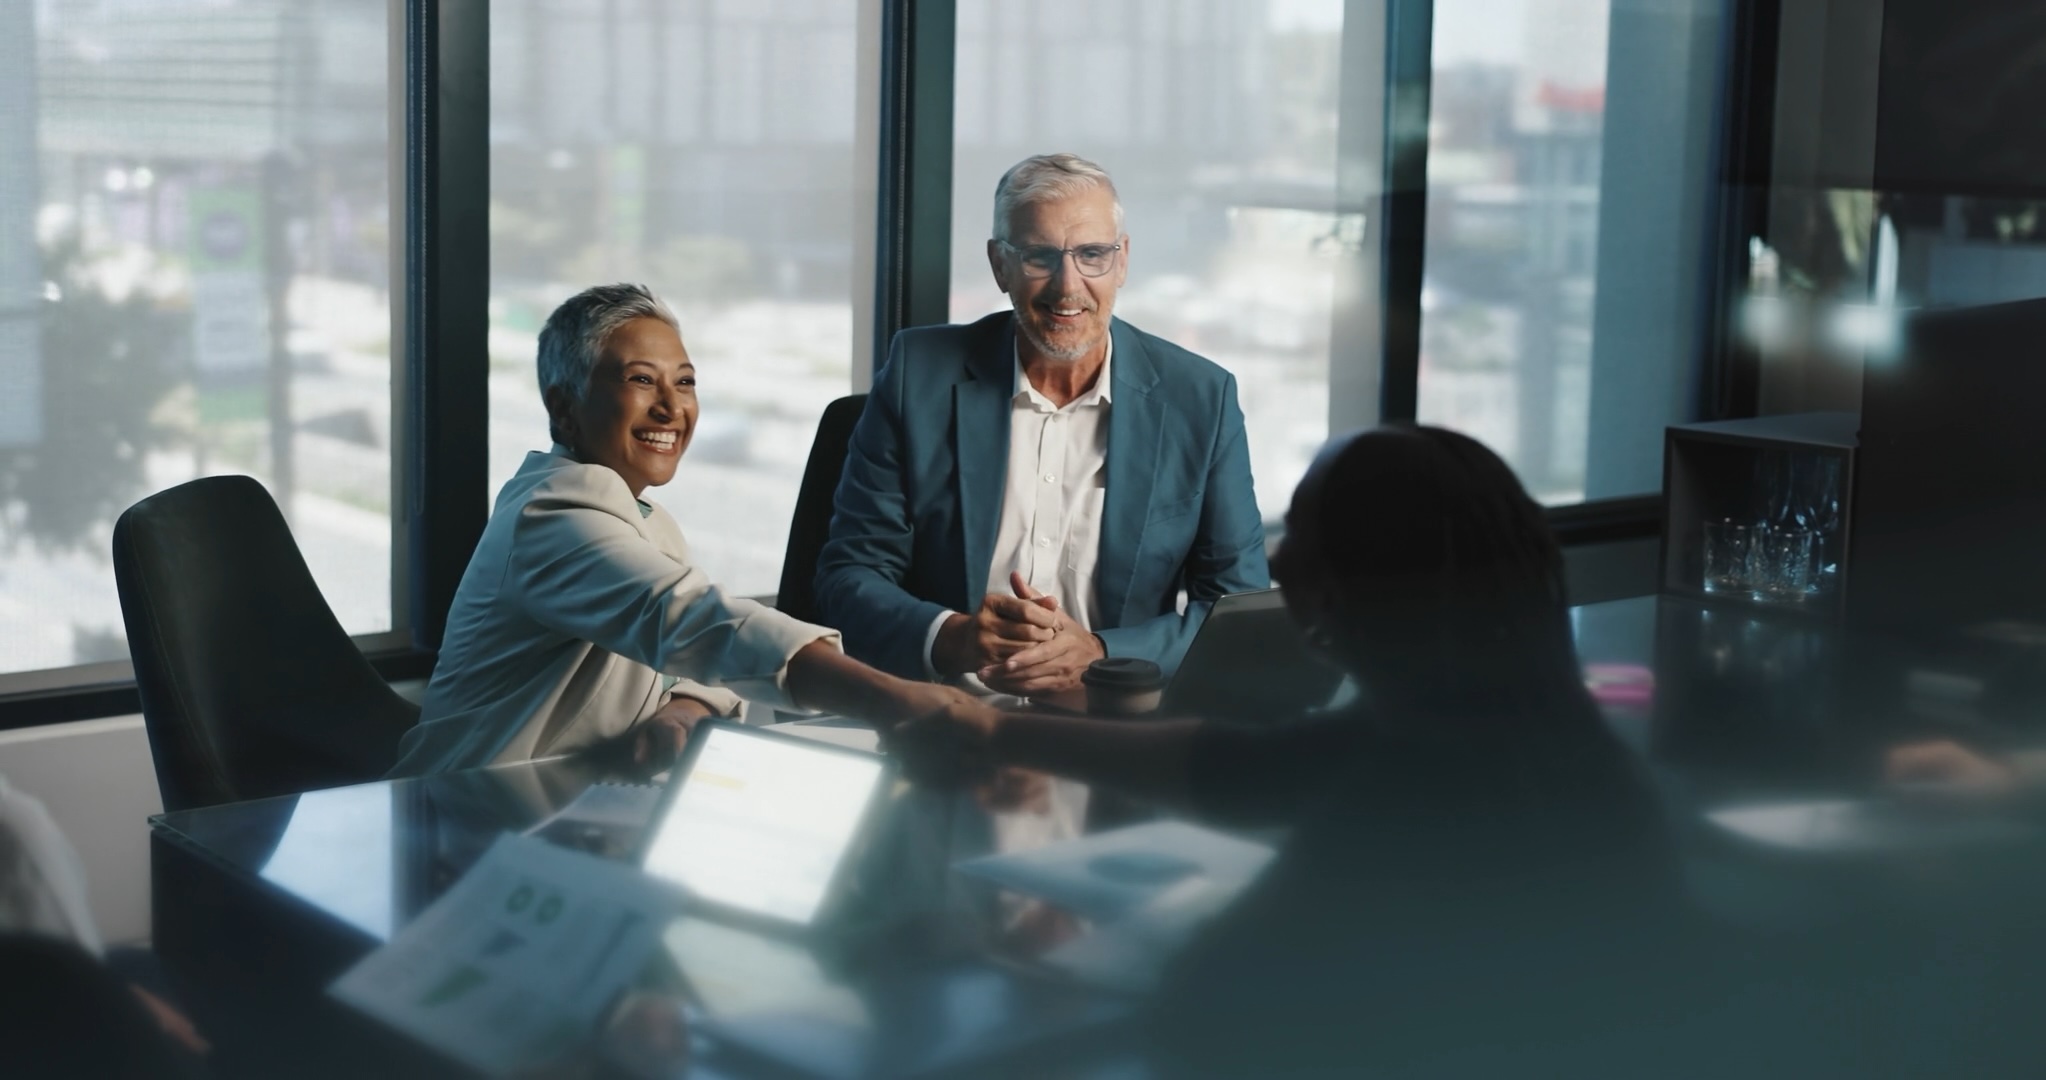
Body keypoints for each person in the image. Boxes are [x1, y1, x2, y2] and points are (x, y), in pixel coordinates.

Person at [889, 426, 1705, 1076]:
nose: (1279, 559)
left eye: (1308, 532)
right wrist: (998, 730)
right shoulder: (1540, 739)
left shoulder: (1407, 793)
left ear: (1356, 583)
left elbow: (1203, 1009)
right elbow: (1241, 771)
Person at [391, 284, 996, 776]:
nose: (671, 407)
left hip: (572, 821)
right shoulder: (552, 520)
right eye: (639, 380)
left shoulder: (646, 522)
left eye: (684, 381)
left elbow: (690, 666)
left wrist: (681, 712)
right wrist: (894, 700)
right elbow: (693, 622)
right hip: (464, 819)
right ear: (563, 408)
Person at [815, 153, 1267, 697]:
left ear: (1122, 262)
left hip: (1109, 718)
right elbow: (849, 575)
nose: (1067, 286)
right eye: (1039, 256)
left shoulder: (1201, 399)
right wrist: (955, 637)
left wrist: (1102, 654)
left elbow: (1236, 609)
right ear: (999, 265)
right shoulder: (919, 375)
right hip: (945, 712)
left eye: (1093, 255)